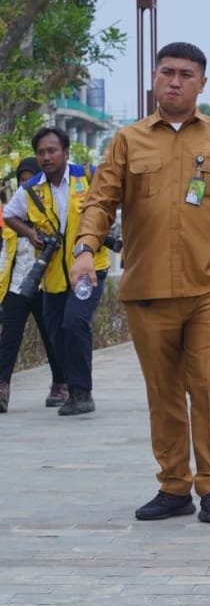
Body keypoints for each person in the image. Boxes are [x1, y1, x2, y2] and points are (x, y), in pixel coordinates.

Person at [71, 42, 210, 523]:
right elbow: (99, 201)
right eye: (166, 72)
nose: (174, 81)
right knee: (164, 392)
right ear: (154, 78)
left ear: (202, 83)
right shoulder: (128, 141)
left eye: (185, 74)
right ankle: (174, 486)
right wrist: (83, 250)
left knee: (207, 384)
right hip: (148, 289)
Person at [4, 127, 111, 417]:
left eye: (52, 151)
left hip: (88, 269)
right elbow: (9, 215)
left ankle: (81, 392)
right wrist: (30, 233)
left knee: (75, 322)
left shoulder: (88, 177)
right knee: (55, 330)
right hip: (52, 275)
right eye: (41, 152)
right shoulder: (31, 189)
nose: (47, 157)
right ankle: (68, 385)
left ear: (66, 152)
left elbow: (112, 206)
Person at [0, 157, 63, 413]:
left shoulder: (49, 215)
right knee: (9, 337)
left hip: (44, 285)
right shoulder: (12, 219)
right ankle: (2, 385)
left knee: (51, 336)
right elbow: (6, 254)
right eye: (22, 182)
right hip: (16, 286)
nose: (26, 187)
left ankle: (60, 382)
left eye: (31, 182)